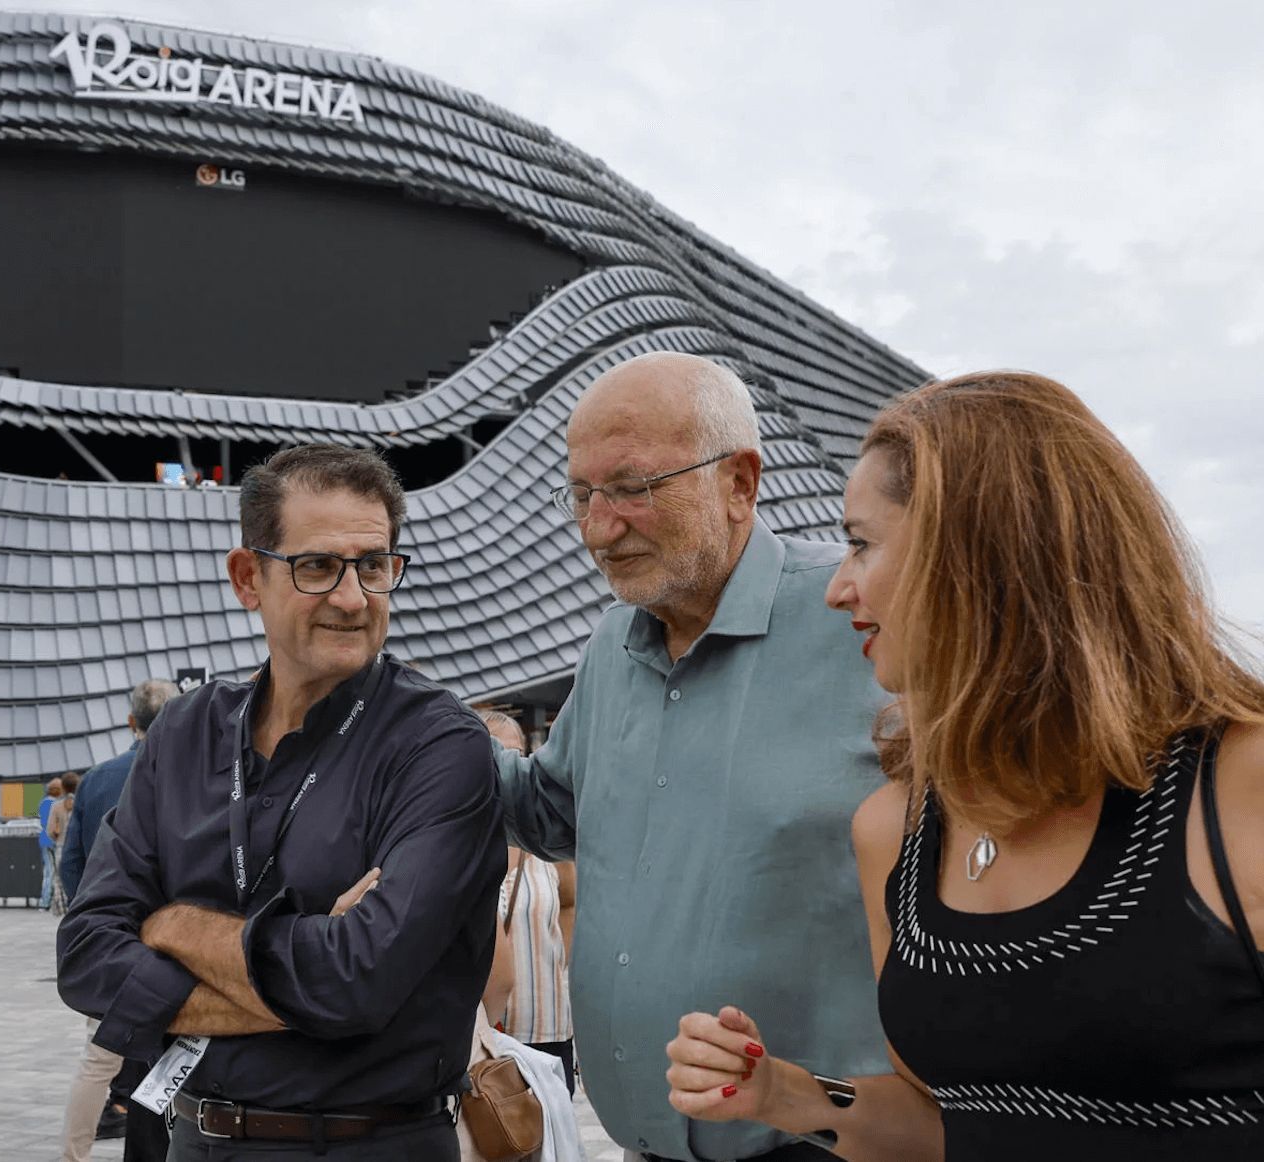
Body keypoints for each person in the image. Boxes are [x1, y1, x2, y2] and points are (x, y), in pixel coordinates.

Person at [667, 372, 1264, 1161]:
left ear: (977, 553)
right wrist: (784, 1094)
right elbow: (944, 1123)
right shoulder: (894, 827)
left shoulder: (1236, 787)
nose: (837, 589)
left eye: (861, 543)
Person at [494, 351, 892, 1162]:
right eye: (582, 496)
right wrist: (406, 725)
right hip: (644, 1143)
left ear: (741, 483)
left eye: (635, 488)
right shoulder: (612, 645)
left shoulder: (863, 621)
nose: (601, 528)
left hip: (828, 1144)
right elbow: (549, 815)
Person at [58, 443, 505, 1162]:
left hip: (372, 1145)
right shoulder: (184, 732)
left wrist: (173, 927)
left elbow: (356, 983)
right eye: (318, 566)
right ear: (248, 577)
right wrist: (298, 984)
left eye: (374, 565)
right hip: (192, 1138)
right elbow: (84, 957)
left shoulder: (440, 746)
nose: (354, 598)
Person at [55, 678, 179, 1162]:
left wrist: (89, 917)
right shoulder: (189, 773)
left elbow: (71, 861)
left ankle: (72, 1154)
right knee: (171, 1054)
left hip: (109, 930)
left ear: (132, 722)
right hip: (173, 936)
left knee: (99, 1054)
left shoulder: (98, 777)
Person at [477, 711, 577, 1095]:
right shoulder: (463, 844)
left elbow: (569, 903)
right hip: (494, 1035)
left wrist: (555, 961)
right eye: (494, 755)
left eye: (514, 754)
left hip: (549, 1024)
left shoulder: (545, 842)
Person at [45, 773, 78, 915]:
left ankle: (63, 909)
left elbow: (50, 830)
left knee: (59, 879)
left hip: (61, 847)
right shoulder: (81, 803)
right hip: (77, 848)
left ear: (63, 788)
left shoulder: (57, 806)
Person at [37, 779, 65, 911]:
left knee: (48, 871)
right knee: (54, 872)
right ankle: (48, 901)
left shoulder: (43, 803)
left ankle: (45, 900)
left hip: (43, 839)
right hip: (54, 839)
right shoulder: (57, 804)